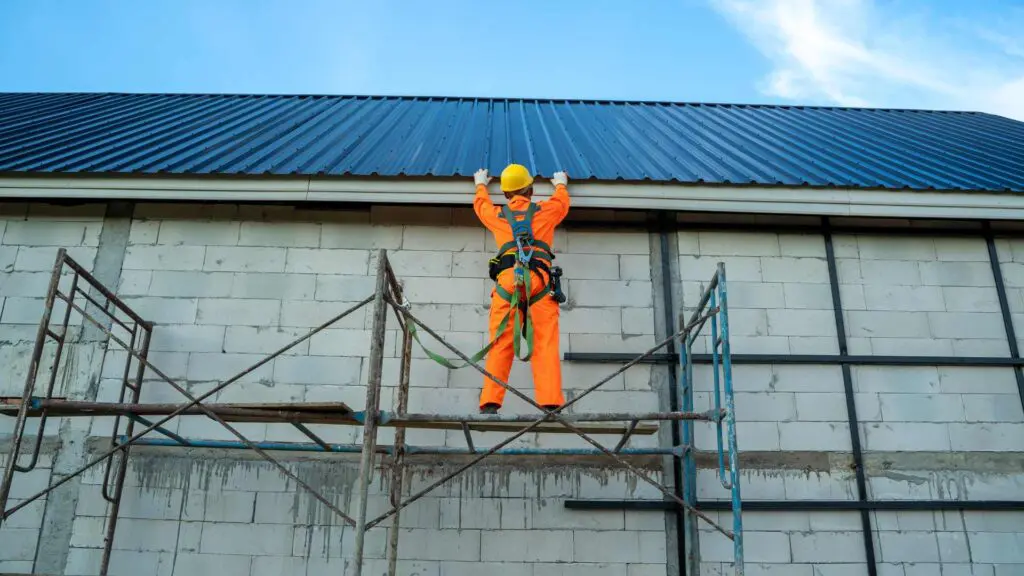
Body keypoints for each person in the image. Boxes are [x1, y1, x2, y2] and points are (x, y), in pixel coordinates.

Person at [472, 163, 570, 414]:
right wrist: (560, 183)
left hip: (509, 280)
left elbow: (481, 207)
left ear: (505, 194)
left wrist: (481, 184)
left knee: (501, 340)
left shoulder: (497, 215)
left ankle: (490, 403)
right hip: (539, 280)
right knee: (544, 341)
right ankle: (550, 403)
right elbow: (561, 203)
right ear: (530, 189)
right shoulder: (546, 211)